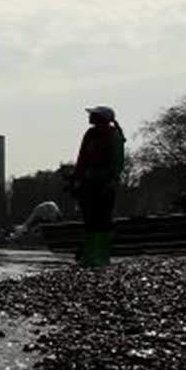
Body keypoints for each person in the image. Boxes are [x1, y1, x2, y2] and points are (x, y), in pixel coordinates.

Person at [68, 105, 126, 267]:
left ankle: (100, 256)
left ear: (102, 119)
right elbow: (81, 158)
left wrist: (111, 182)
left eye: (93, 115)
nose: (90, 117)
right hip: (88, 184)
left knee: (102, 220)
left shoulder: (114, 136)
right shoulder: (90, 134)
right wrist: (75, 179)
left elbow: (117, 163)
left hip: (104, 184)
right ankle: (88, 255)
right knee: (89, 219)